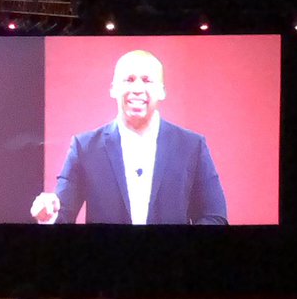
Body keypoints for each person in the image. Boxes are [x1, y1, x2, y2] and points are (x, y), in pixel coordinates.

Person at [30, 49, 227, 225]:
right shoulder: (85, 147)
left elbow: (215, 217)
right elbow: (62, 214)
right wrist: (49, 216)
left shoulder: (192, 146)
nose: (138, 89)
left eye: (147, 80)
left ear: (162, 91)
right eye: (129, 80)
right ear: (113, 88)